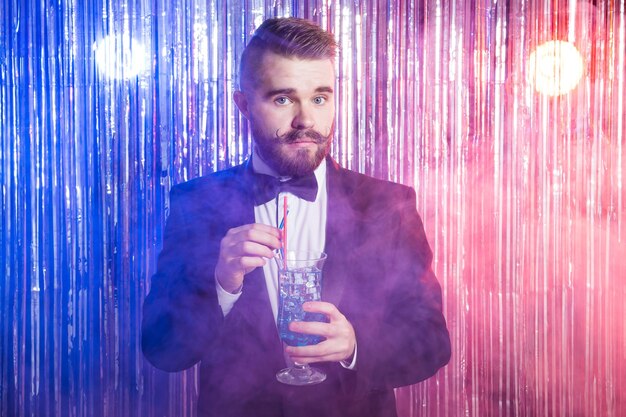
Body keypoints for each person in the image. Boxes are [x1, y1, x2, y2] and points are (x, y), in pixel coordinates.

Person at [142, 17, 451, 417]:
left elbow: (431, 341)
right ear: (244, 104)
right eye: (283, 99)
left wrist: (357, 346)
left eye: (320, 98)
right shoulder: (196, 203)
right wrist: (220, 284)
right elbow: (162, 350)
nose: (306, 120)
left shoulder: (388, 204)